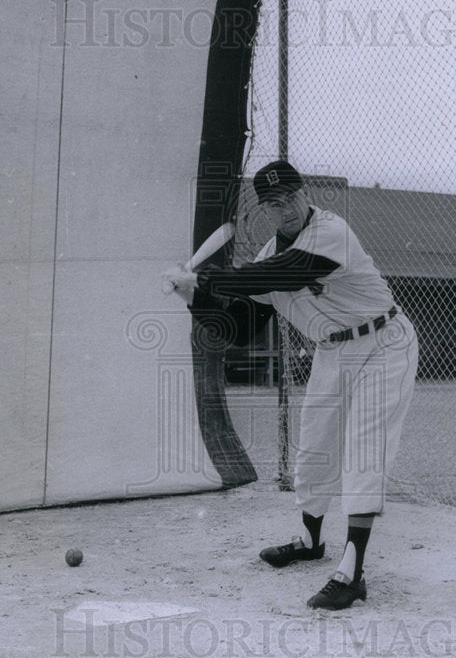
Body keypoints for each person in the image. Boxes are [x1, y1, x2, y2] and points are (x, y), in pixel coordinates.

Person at [166, 160, 418, 610]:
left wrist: (205, 276)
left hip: (383, 343)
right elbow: (239, 329)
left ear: (304, 194)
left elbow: (283, 274)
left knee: (364, 447)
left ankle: (351, 572)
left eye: (289, 199)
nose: (284, 212)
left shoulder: (330, 231)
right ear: (264, 210)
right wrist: (195, 298)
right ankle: (310, 540)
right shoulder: (269, 253)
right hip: (332, 349)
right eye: (272, 205)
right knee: (313, 444)